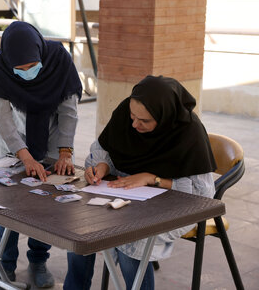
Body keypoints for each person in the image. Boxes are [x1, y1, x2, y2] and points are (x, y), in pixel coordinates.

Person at [64, 75, 217, 290]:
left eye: (144, 121)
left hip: (175, 204)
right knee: (81, 231)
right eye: (132, 116)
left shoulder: (189, 132)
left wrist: (152, 179)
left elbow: (202, 194)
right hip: (125, 194)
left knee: (130, 240)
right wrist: (102, 166)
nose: (134, 124)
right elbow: (102, 148)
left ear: (164, 117)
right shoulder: (127, 113)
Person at [0, 21, 82, 288]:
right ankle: (5, 266)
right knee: (9, 201)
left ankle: (39, 260)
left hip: (51, 136)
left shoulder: (58, 58)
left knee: (45, 202)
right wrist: (25, 157)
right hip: (12, 140)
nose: (28, 72)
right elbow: (2, 119)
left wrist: (65, 152)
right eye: (21, 69)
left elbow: (69, 111)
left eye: (32, 66)